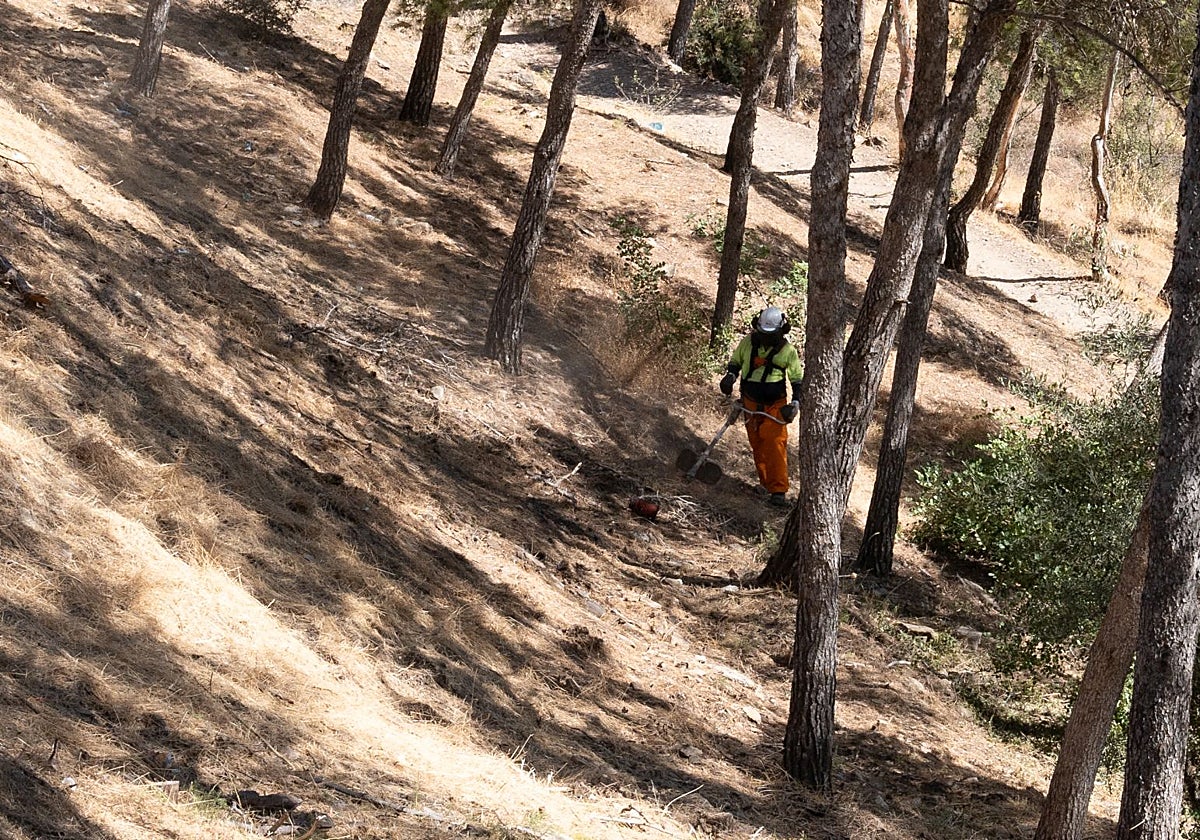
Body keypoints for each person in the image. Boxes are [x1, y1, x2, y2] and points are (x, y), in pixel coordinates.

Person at [719, 306, 804, 507]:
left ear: (780, 331)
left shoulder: (788, 351)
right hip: (749, 401)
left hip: (774, 406)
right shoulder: (748, 342)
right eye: (763, 333)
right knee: (757, 443)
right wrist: (730, 376)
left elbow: (797, 379)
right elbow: (736, 362)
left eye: (770, 335)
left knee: (774, 443)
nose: (766, 338)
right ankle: (766, 484)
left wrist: (795, 403)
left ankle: (778, 491)